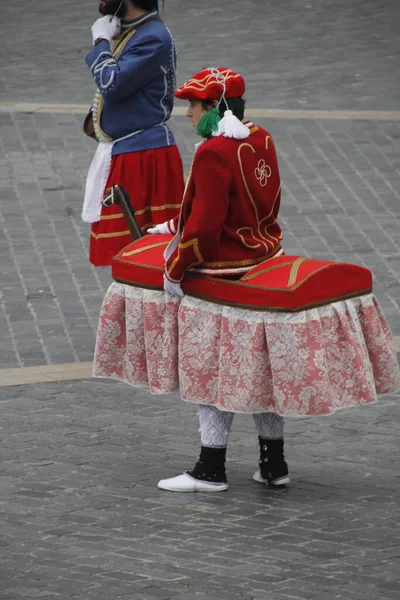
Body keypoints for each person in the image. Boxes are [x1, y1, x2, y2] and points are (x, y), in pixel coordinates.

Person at [149, 67, 289, 492]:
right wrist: (174, 223)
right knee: (262, 374)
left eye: (194, 105)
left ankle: (210, 469)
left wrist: (174, 269)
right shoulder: (260, 137)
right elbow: (242, 203)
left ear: (216, 108)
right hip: (266, 260)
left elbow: (206, 232)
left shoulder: (213, 152)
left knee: (210, 371)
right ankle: (273, 464)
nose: (188, 112)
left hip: (224, 274)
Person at [82, 0, 184, 267]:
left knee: (142, 257)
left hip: (144, 157)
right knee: (127, 259)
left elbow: (111, 83)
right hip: (130, 151)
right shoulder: (136, 32)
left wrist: (100, 43)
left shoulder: (153, 38)